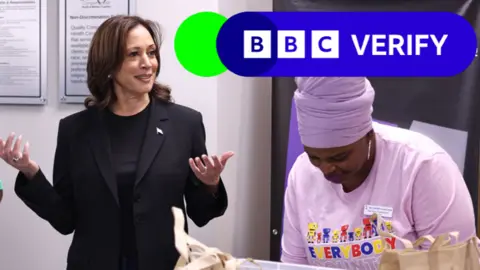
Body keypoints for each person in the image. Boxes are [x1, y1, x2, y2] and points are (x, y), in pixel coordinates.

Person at [0, 15, 233, 270]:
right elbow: (65, 220)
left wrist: (210, 185)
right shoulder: (75, 130)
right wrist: (31, 174)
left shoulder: (185, 123)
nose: (148, 63)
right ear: (109, 65)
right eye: (134, 54)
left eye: (151, 52)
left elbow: (201, 214)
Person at [281, 77, 476, 269]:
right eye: (314, 157)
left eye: (339, 157)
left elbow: (454, 265)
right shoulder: (302, 173)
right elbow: (294, 265)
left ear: (368, 134)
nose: (326, 169)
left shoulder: (422, 166)